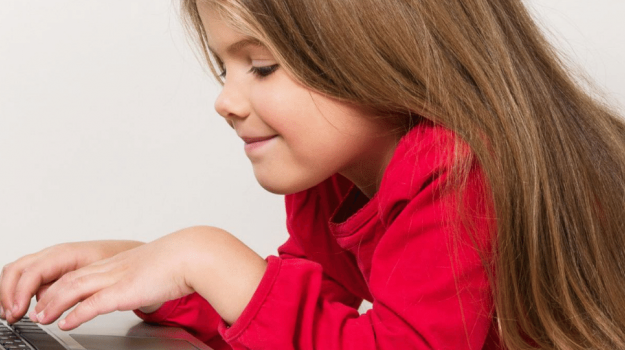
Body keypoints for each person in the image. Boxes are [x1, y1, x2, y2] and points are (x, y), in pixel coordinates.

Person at [1, 0, 625, 348]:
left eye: (263, 67)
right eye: (225, 70)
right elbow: (303, 322)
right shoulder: (334, 177)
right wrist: (157, 270)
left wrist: (208, 256)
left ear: (384, 51)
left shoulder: (460, 170)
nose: (226, 101)